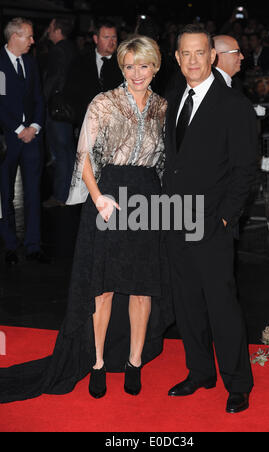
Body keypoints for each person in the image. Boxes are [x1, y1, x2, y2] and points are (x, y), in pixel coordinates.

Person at [0, 35, 173, 403]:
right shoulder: (104, 102)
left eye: (143, 65)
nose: (136, 73)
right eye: (129, 66)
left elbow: (163, 163)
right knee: (104, 287)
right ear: (121, 67)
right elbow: (85, 157)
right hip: (108, 194)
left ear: (155, 66)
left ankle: (134, 361)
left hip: (146, 198)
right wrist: (98, 198)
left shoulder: (162, 107)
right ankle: (96, 363)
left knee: (142, 289)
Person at [163, 25, 258, 414]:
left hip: (212, 223)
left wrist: (223, 219)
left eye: (199, 53)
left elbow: (245, 171)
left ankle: (238, 383)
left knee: (222, 305)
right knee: (187, 304)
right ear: (177, 58)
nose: (192, 60)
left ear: (212, 57)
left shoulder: (233, 105)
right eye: (185, 54)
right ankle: (200, 371)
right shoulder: (172, 100)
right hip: (174, 220)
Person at [0, 18, 46, 266]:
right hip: (9, 139)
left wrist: (35, 127)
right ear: (14, 37)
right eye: (28, 36)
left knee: (33, 192)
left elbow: (40, 97)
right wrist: (19, 128)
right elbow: (1, 104)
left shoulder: (30, 62)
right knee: (5, 193)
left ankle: (33, 245)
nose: (32, 41)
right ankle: (9, 245)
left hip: (32, 138)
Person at [43, 18, 77, 208]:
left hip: (57, 109)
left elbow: (53, 79)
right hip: (67, 108)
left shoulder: (58, 50)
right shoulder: (71, 48)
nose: (48, 29)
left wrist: (42, 100)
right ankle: (69, 194)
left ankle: (60, 196)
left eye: (50, 26)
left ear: (57, 30)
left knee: (62, 153)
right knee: (68, 152)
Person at [65, 19, 123, 129]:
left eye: (114, 37)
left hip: (115, 126)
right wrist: (84, 106)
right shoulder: (80, 62)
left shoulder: (123, 64)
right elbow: (70, 92)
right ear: (96, 39)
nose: (111, 42)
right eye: (106, 37)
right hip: (87, 124)